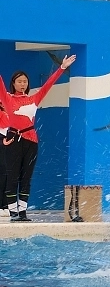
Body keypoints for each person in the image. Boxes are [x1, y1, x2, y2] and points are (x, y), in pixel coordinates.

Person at [0, 55, 76, 221]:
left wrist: (62, 68)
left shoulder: (33, 99)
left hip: (31, 141)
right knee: (12, 177)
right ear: (13, 83)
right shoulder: (7, 98)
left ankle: (23, 212)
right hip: (13, 140)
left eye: (25, 81)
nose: (22, 84)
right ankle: (13, 213)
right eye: (19, 81)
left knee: (26, 178)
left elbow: (48, 85)